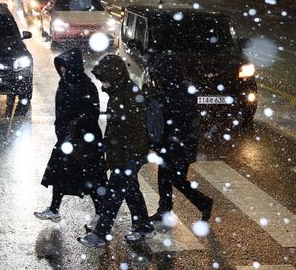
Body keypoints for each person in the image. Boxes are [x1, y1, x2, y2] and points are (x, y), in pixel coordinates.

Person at [79, 54, 152, 247]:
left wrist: (123, 158)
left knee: (113, 195)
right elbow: (117, 130)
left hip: (130, 155)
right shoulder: (120, 92)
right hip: (125, 153)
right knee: (131, 190)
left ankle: (100, 235)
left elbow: (133, 131)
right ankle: (144, 226)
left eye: (105, 78)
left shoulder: (128, 95)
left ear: (116, 76)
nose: (102, 82)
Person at [35, 48, 105, 224]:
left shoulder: (86, 86)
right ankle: (54, 209)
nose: (62, 71)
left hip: (84, 141)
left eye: (65, 68)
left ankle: (100, 214)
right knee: (60, 174)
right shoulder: (65, 83)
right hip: (67, 138)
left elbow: (91, 113)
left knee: (91, 179)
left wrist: (77, 126)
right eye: (61, 68)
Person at [147, 55, 213, 224]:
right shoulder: (175, 89)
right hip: (172, 144)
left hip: (180, 145)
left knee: (176, 179)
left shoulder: (179, 93)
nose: (159, 79)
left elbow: (173, 116)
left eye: (161, 75)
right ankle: (164, 208)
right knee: (164, 177)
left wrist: (157, 101)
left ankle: (203, 202)